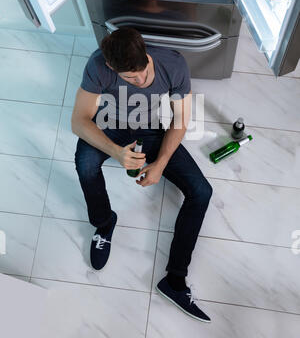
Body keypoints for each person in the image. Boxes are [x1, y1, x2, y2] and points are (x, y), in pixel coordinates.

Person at [72, 27, 213, 322]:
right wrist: (115, 152)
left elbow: (181, 119)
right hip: (108, 125)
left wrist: (160, 163)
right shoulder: (98, 64)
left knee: (202, 192)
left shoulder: (172, 64)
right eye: (130, 78)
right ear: (112, 67)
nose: (140, 81)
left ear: (146, 54)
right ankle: (104, 223)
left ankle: (174, 279)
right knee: (85, 164)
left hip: (148, 129)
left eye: (143, 73)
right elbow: (79, 121)